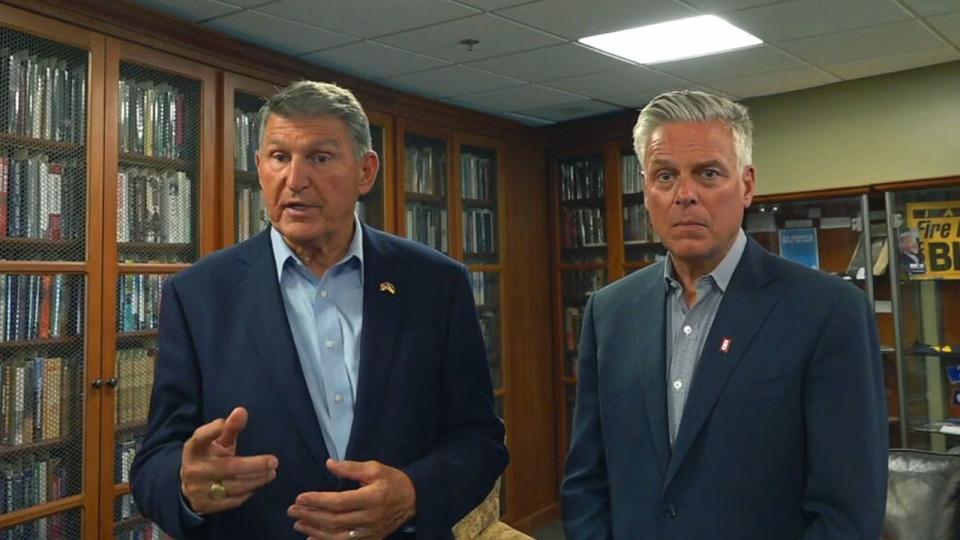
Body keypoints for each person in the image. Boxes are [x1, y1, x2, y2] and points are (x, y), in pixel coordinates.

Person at [130, 81, 507, 540]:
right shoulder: (199, 295)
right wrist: (188, 486)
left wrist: (412, 493)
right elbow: (156, 462)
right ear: (260, 167)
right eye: (278, 157)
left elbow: (479, 439)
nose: (295, 179)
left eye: (320, 158)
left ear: (365, 172)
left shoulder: (436, 284)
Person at [561, 90, 888, 539]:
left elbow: (847, 510)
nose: (685, 195)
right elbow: (586, 481)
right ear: (646, 190)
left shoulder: (828, 312)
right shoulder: (609, 312)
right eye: (665, 176)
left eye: (708, 173)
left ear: (747, 185)